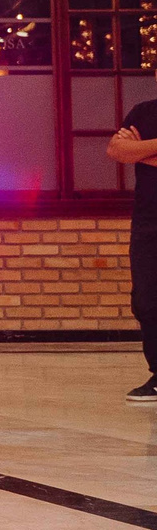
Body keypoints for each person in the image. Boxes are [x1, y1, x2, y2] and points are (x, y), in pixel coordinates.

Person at [112, 100, 157, 403]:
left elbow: (131, 152)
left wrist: (141, 151)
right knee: (146, 300)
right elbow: (117, 151)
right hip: (148, 224)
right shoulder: (144, 112)